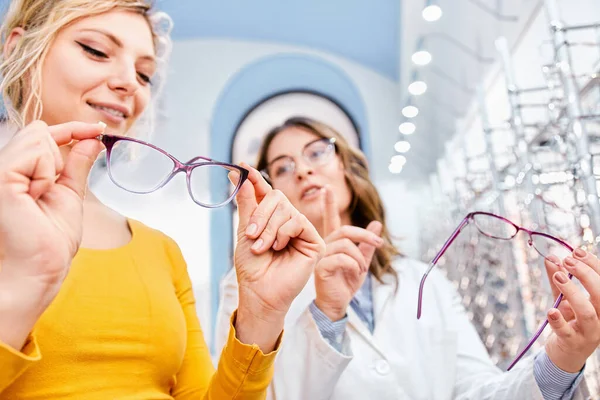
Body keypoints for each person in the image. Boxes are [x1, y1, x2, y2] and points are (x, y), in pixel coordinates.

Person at [0, 2, 325, 399]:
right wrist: (24, 283)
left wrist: (262, 312)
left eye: (144, 75)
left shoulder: (161, 252)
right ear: (16, 49)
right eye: (97, 50)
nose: (130, 84)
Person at [216, 117, 600, 400]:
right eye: (282, 167)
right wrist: (327, 313)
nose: (302, 169)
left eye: (317, 152)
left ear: (348, 168)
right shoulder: (246, 287)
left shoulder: (424, 282)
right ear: (272, 191)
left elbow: (480, 393)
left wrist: (563, 358)